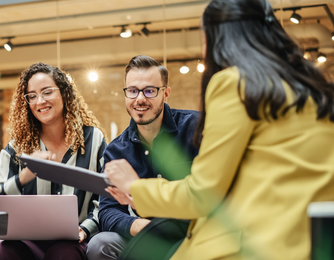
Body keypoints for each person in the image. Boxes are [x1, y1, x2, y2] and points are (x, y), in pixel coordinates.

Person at [105, 0, 334, 259]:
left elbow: (204, 193)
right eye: (132, 91)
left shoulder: (234, 84)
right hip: (312, 241)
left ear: (214, 37)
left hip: (255, 243)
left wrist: (135, 187)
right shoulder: (314, 88)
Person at [0, 62, 107, 260]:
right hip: (27, 242)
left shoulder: (93, 140)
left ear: (64, 94)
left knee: (64, 254)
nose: (39, 101)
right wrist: (23, 176)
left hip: (75, 241)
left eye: (47, 92)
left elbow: (105, 197)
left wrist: (85, 229)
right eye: (32, 96)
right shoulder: (17, 148)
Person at [86, 55, 199, 260]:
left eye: (149, 91)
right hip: (144, 235)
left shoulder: (195, 128)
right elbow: (107, 211)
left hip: (192, 232)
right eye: (132, 91)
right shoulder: (116, 150)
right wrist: (139, 225)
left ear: (166, 94)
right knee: (100, 245)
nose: (140, 99)